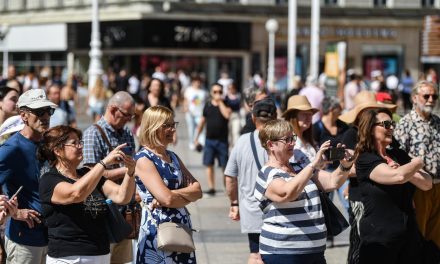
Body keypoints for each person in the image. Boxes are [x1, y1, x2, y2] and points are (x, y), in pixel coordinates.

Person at [254, 119, 354, 264]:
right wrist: (313, 164)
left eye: (292, 138)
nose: (293, 143)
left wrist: (345, 165)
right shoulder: (266, 173)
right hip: (283, 253)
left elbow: (333, 181)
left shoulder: (300, 168)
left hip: (315, 252)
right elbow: (286, 193)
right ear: (271, 145)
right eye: (287, 139)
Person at [38, 125, 136, 264]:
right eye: (74, 143)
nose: (80, 146)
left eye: (80, 142)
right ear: (58, 150)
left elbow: (122, 196)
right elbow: (76, 194)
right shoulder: (49, 180)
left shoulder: (86, 173)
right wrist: (103, 163)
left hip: (100, 253)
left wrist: (130, 172)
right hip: (68, 258)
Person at [354, 108, 432, 264]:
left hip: (408, 237)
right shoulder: (365, 159)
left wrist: (408, 169)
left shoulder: (399, 155)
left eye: (392, 124)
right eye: (386, 124)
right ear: (370, 129)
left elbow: (427, 183)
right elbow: (398, 176)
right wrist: (415, 164)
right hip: (380, 239)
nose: (391, 128)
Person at [134, 106, 202, 263]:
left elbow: (198, 190)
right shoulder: (144, 159)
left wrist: (172, 196)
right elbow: (168, 199)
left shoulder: (173, 157)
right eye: (167, 125)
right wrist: (183, 195)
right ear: (153, 127)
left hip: (180, 228)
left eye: (173, 124)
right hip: (158, 231)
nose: (173, 130)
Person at [338, 90, 396, 264]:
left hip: (379, 197)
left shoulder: (380, 132)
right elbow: (346, 168)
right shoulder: (351, 135)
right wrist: (375, 168)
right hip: (359, 197)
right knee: (359, 242)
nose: (371, 114)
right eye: (367, 110)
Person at [0, 89, 57, 264]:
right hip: (24, 240)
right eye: (39, 112)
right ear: (23, 115)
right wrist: (14, 212)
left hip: (51, 237)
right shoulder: (12, 148)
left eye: (49, 111)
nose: (46, 116)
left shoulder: (47, 143)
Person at [82, 91, 136, 264]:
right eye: (127, 115)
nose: (129, 119)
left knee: (123, 261)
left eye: (132, 115)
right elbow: (91, 174)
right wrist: (126, 170)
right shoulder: (93, 133)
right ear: (113, 109)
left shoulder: (126, 133)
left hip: (126, 210)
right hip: (105, 210)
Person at [225, 98, 277, 264]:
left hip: (252, 208)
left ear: (253, 118)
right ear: (275, 117)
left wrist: (234, 203)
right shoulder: (283, 139)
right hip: (279, 207)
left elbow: (230, 177)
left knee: (255, 254)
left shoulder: (242, 141)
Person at [394, 80, 440, 250]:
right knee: (417, 235)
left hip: (438, 186)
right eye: (426, 96)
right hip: (418, 187)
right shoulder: (406, 124)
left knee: (435, 237)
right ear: (414, 98)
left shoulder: (437, 121)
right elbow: (397, 158)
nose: (431, 100)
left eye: (434, 96)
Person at [194, 83, 232, 195]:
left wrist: (220, 102)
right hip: (209, 140)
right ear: (211, 93)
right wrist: (196, 137)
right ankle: (211, 188)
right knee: (209, 164)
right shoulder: (207, 105)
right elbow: (202, 122)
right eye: (215, 92)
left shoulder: (226, 103)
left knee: (225, 166)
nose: (217, 94)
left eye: (220, 92)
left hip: (222, 141)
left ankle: (227, 188)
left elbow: (227, 115)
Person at [313, 96, 349, 211]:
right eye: (339, 107)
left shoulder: (343, 126)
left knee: (348, 203)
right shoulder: (316, 128)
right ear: (332, 109)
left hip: (341, 170)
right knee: (326, 206)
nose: (342, 109)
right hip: (325, 171)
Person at [282, 95, 319, 167]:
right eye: (304, 114)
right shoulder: (287, 140)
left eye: (310, 114)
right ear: (293, 117)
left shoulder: (308, 139)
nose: (308, 118)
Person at [183, 76, 207, 150]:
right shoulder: (189, 90)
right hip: (190, 113)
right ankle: (192, 143)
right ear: (193, 82)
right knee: (191, 128)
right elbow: (185, 100)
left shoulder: (204, 92)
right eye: (196, 82)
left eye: (199, 82)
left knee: (201, 128)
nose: (197, 83)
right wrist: (185, 107)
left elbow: (206, 102)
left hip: (200, 113)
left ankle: (200, 143)